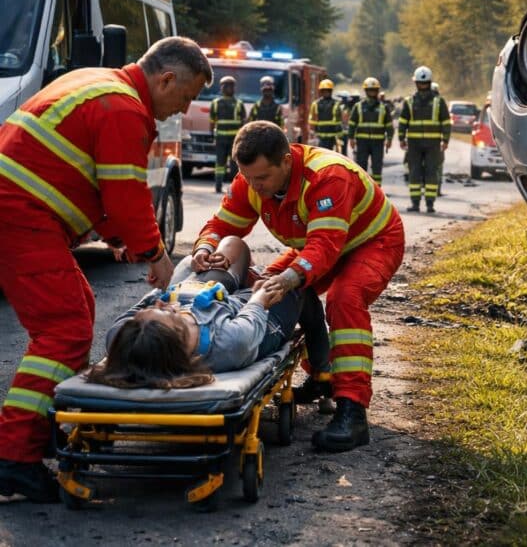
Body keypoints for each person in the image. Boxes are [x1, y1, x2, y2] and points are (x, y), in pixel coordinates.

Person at [0, 36, 212, 502]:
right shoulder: (124, 110)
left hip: (19, 211)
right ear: (166, 79)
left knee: (77, 308)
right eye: (187, 96)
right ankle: (14, 457)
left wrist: (119, 238)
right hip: (20, 215)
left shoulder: (98, 85)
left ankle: (39, 428)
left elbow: (94, 179)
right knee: (64, 328)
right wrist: (156, 255)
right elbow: (125, 195)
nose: (183, 108)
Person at [191, 121, 405, 453]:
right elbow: (222, 224)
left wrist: (291, 278)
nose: (255, 186)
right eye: (248, 178)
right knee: (266, 289)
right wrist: (205, 248)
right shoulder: (251, 179)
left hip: (372, 242)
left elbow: (325, 247)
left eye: (262, 178)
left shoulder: (328, 177)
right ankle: (322, 375)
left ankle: (352, 410)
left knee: (344, 298)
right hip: (319, 244)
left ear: (286, 161)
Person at [89, 236, 327, 386]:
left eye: (150, 310)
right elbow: (258, 305)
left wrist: (161, 293)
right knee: (300, 290)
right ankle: (322, 372)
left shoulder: (119, 336)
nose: (161, 304)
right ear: (179, 341)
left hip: (202, 298)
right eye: (170, 313)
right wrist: (269, 286)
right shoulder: (229, 344)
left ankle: (241, 272)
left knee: (231, 245)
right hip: (257, 317)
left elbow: (147, 305)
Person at [398, 66, 450, 213]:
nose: (422, 86)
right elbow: (403, 121)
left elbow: (446, 122)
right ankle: (415, 203)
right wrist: (401, 138)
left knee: (431, 172)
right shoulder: (409, 101)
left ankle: (430, 204)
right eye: (420, 83)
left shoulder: (439, 101)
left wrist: (445, 140)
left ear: (429, 83)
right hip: (414, 144)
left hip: (433, 144)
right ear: (416, 83)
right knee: (414, 172)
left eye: (424, 83)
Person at [348, 77, 393, 185]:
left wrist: (389, 139)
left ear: (377, 91)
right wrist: (351, 138)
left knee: (377, 167)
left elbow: (389, 125)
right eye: (370, 90)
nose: (372, 92)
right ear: (366, 91)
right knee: (361, 167)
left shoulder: (384, 107)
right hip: (362, 142)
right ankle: (362, 191)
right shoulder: (358, 106)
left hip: (378, 143)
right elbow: (352, 123)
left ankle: (377, 191)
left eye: (374, 90)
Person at [210, 75, 246, 193]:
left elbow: (244, 123)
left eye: (231, 86)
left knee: (235, 164)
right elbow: (212, 122)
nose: (229, 88)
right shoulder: (215, 103)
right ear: (222, 87)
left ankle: (235, 188)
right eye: (226, 86)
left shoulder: (239, 104)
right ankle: (218, 186)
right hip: (220, 139)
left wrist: (242, 139)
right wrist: (212, 135)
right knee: (220, 163)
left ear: (234, 88)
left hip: (235, 140)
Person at [308, 79, 344, 151]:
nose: (326, 93)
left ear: (331, 91)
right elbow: (312, 120)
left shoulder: (336, 103)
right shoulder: (315, 104)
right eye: (324, 91)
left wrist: (340, 137)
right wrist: (312, 134)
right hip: (320, 137)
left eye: (327, 91)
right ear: (321, 92)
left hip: (333, 137)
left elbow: (339, 121)